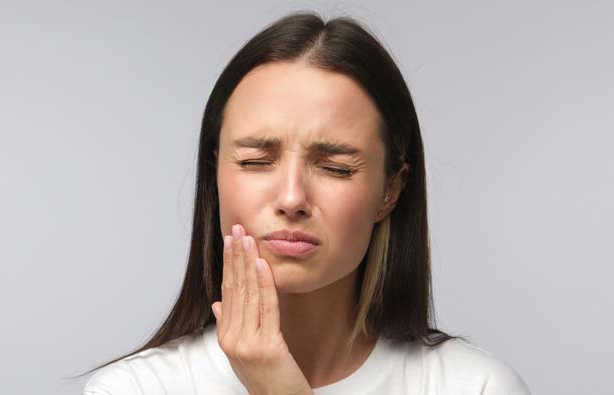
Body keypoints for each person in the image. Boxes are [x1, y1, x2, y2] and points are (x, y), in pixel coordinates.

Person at [79, 11, 531, 395]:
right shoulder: (135, 389)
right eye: (257, 161)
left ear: (390, 189)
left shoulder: (474, 387)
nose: (292, 198)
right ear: (215, 175)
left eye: (335, 167)